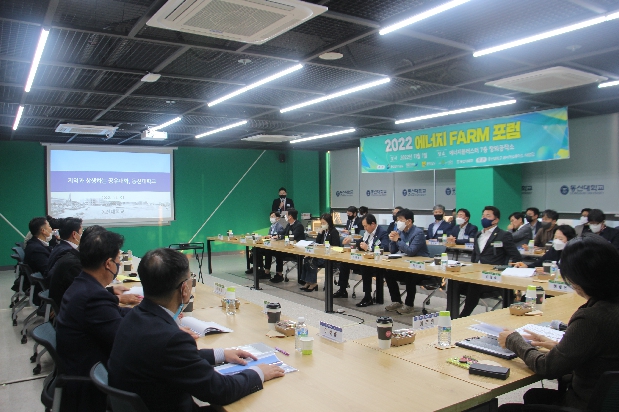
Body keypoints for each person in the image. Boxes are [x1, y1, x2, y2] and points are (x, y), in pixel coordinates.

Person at [108, 248, 284, 412]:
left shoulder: (134, 316)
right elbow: (220, 391)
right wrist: (259, 372)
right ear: (184, 288)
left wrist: (221, 354)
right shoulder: (171, 339)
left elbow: (173, 358)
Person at [498, 234, 619, 411]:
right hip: (607, 399)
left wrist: (513, 340)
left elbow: (547, 367)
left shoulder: (591, 318)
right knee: (534, 396)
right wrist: (561, 347)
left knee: (506, 409)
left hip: (586, 404)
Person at [55, 228, 131, 412]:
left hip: (81, 367)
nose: (118, 264)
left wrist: (149, 315)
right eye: (118, 261)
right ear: (108, 264)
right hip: (90, 384)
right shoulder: (93, 297)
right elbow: (126, 341)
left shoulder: (83, 284)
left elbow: (116, 315)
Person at [48, 225, 142, 311]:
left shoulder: (81, 271)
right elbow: (93, 298)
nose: (119, 263)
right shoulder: (74, 265)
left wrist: (110, 290)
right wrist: (118, 298)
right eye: (117, 258)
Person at [459, 206, 521, 317]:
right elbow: (475, 254)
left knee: (474, 286)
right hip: (475, 273)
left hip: (493, 276)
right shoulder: (478, 234)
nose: (484, 218)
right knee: (455, 282)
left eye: (488, 216)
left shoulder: (503, 235)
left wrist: (511, 272)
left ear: (496, 220)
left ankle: (462, 316)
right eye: (483, 216)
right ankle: (452, 314)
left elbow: (516, 256)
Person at [333, 214, 389, 303]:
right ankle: (342, 290)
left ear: (373, 224)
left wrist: (369, 248)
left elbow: (385, 247)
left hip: (376, 264)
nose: (365, 228)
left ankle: (367, 297)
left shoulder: (382, 233)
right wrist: (351, 242)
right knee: (344, 263)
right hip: (365, 259)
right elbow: (360, 243)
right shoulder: (367, 233)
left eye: (366, 226)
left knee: (364, 266)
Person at [384, 209, 430, 315]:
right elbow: (393, 251)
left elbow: (411, 252)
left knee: (410, 274)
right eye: (397, 220)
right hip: (405, 263)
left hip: (421, 268)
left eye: (400, 220)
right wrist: (392, 240)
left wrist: (398, 240)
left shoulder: (418, 233)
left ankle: (409, 305)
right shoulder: (400, 232)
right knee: (388, 272)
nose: (398, 222)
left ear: (409, 221)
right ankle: (396, 301)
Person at [299, 213, 341, 291]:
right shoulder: (324, 231)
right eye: (321, 223)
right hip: (321, 254)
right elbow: (318, 242)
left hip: (329, 256)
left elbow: (336, 246)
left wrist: (325, 246)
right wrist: (320, 233)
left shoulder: (333, 232)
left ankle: (313, 283)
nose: (322, 224)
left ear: (329, 222)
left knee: (312, 261)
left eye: (324, 223)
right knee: (306, 259)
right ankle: (307, 281)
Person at [264, 209, 305, 283]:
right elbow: (283, 233)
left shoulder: (299, 225)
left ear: (290, 217)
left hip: (297, 250)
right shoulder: (289, 225)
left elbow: (292, 236)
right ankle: (267, 272)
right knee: (270, 251)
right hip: (288, 248)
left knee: (278, 253)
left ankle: (279, 274)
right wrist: (274, 236)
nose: (285, 217)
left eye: (286, 215)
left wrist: (280, 236)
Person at [246, 212, 285, 278]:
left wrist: (272, 237)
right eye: (270, 216)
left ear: (278, 218)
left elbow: (279, 238)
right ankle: (258, 267)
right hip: (270, 245)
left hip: (276, 247)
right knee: (256, 249)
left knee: (267, 251)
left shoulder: (280, 227)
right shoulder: (272, 226)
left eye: (273, 216)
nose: (271, 218)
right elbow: (270, 236)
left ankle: (267, 272)